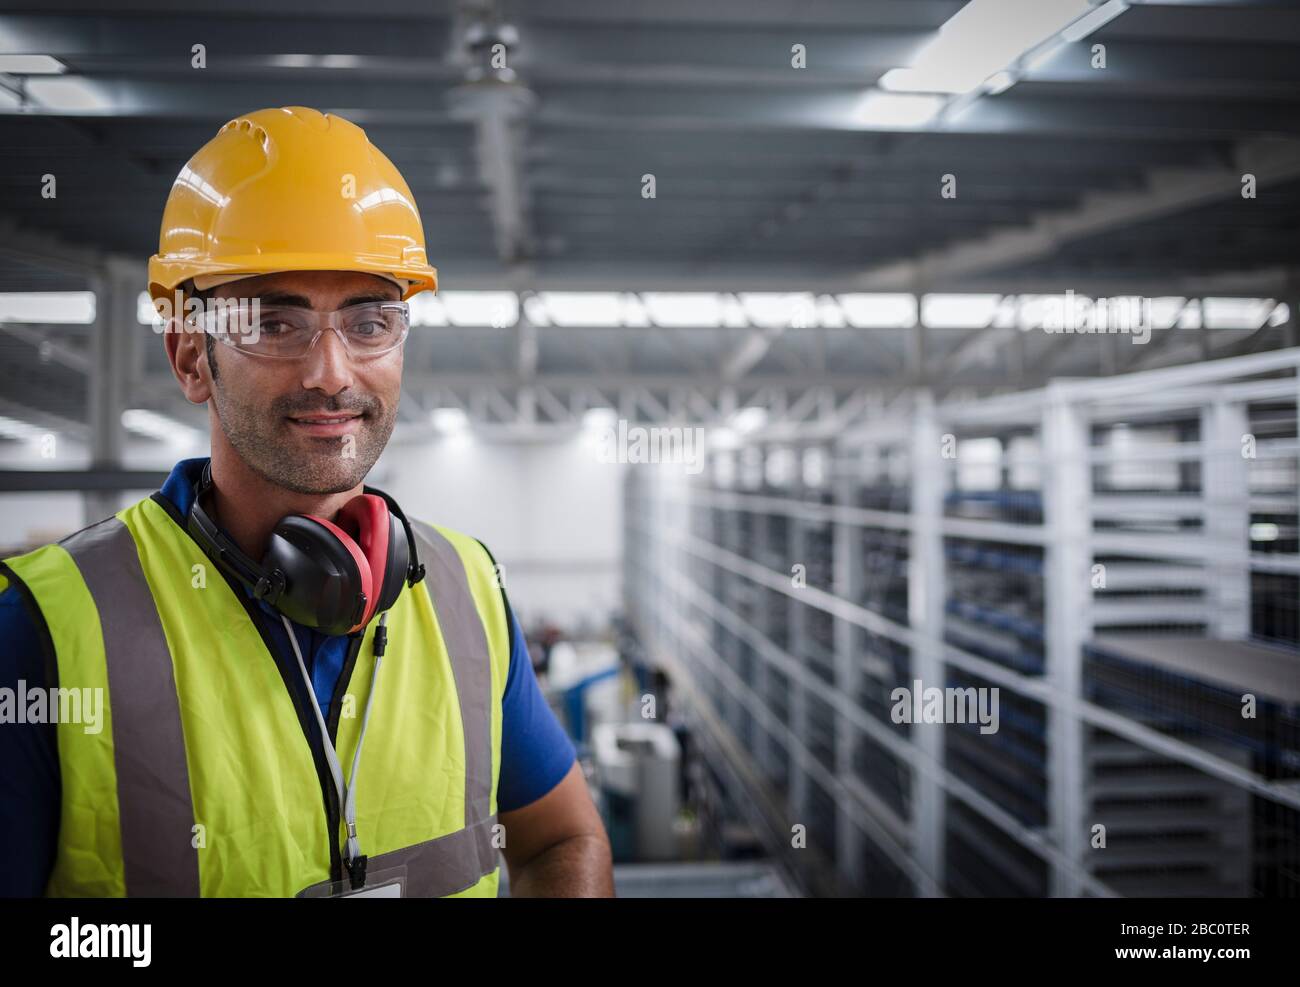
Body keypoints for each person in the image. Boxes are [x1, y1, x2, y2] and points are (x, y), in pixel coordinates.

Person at [0, 106, 613, 898]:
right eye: (272, 321)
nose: (331, 370)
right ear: (191, 356)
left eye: (369, 320)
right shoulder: (44, 629)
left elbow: (565, 836)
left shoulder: (466, 593)